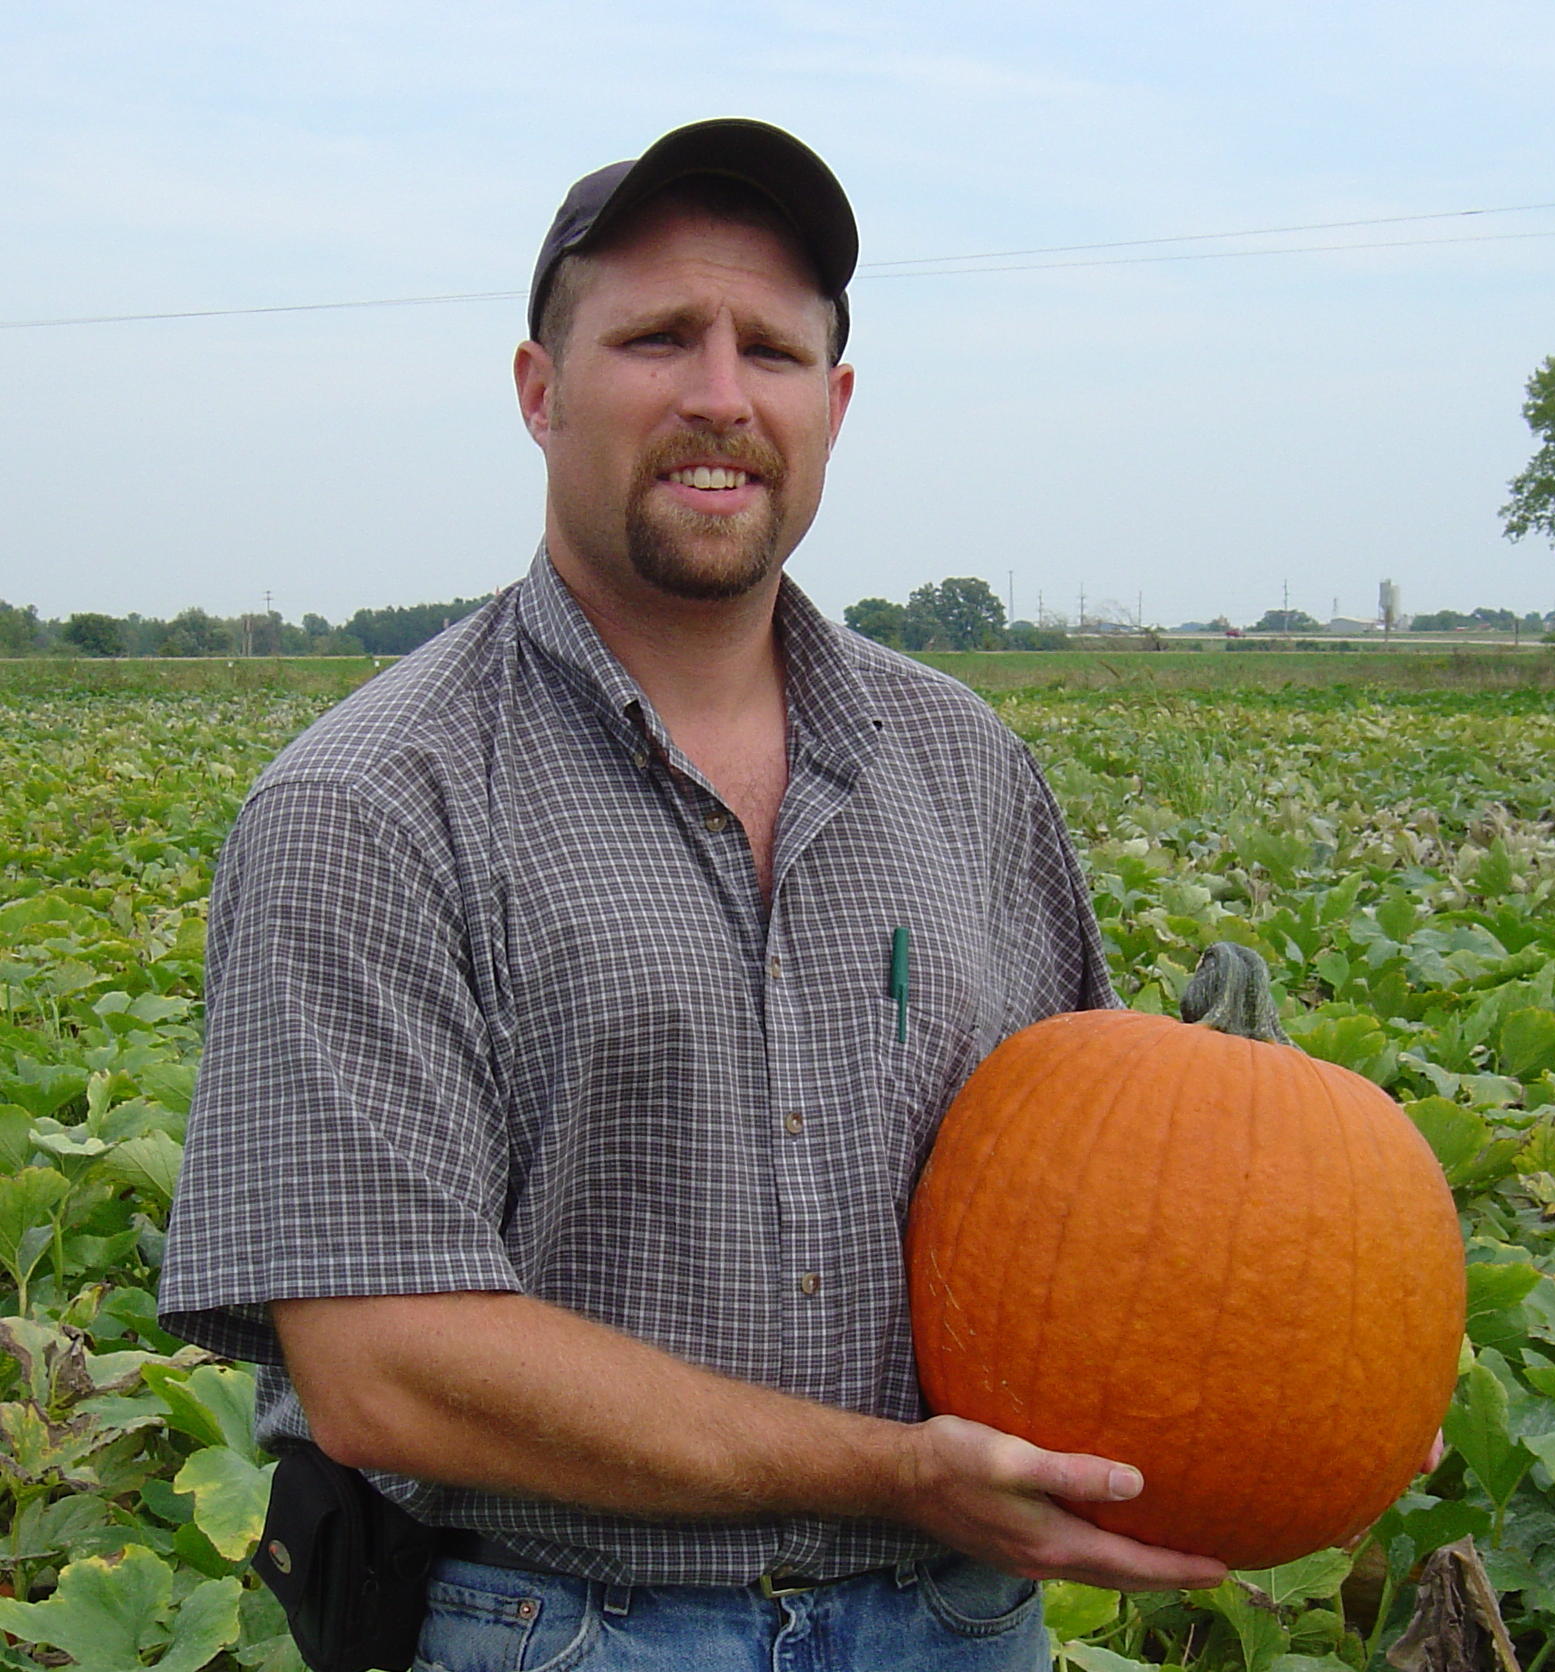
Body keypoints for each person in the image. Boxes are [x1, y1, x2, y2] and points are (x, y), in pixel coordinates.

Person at [159, 118, 1228, 1670]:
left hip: (962, 1623)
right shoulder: (371, 804)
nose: (721, 395)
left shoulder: (967, 769)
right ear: (541, 391)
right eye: (660, 337)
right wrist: (895, 1471)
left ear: (835, 405)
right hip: (563, 1629)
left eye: (774, 352)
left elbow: (1107, 1202)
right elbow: (388, 1369)